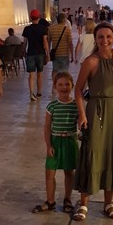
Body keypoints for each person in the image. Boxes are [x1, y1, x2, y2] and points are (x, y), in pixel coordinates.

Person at [74, 22, 113, 221]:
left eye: (108, 37)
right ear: (95, 39)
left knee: (112, 154)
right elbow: (78, 90)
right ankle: (84, 203)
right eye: (101, 37)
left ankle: (108, 203)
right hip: (97, 111)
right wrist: (82, 114)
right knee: (91, 151)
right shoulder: (91, 61)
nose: (105, 41)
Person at [32, 72, 79, 213]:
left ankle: (67, 199)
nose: (64, 87)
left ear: (72, 85)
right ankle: (50, 201)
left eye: (67, 84)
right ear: (54, 87)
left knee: (69, 172)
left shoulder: (76, 105)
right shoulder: (51, 106)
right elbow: (47, 127)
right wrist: (48, 145)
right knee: (50, 172)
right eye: (60, 84)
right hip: (55, 141)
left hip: (70, 141)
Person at [22, 9, 50, 101]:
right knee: (40, 74)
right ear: (39, 17)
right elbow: (45, 42)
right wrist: (48, 54)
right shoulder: (43, 29)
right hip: (40, 53)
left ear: (31, 17)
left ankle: (31, 93)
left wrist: (23, 51)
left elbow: (25, 42)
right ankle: (39, 92)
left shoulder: (27, 29)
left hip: (30, 53)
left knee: (31, 75)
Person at [48, 12, 73, 85]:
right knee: (65, 71)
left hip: (55, 54)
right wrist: (72, 55)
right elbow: (70, 43)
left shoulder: (51, 28)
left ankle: (55, 84)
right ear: (64, 20)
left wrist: (48, 53)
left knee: (55, 70)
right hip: (65, 53)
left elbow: (48, 41)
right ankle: (63, 84)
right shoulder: (67, 29)